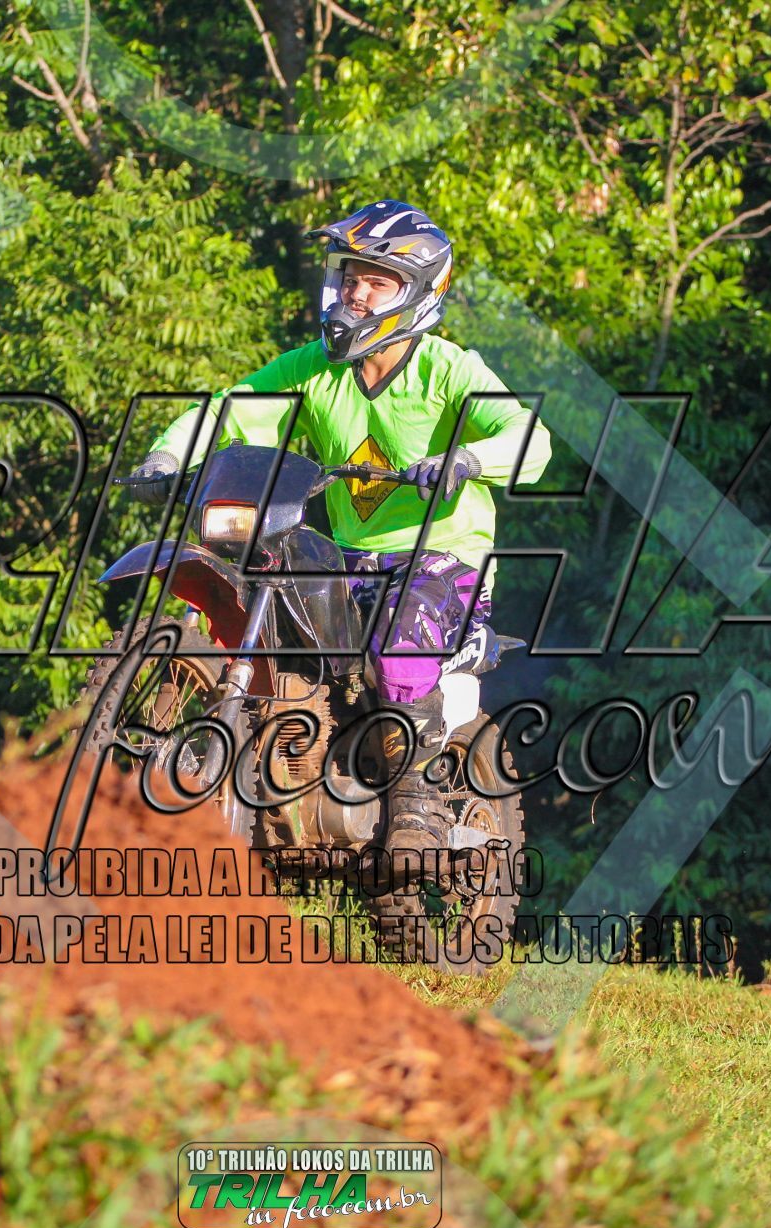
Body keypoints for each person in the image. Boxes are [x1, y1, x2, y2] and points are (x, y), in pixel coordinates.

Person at [126, 199, 552, 856]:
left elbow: (530, 438)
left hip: (442, 559)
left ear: (417, 292)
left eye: (376, 281)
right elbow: (232, 410)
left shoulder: (449, 369)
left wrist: (466, 460)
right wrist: (167, 456)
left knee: (399, 643)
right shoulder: (312, 368)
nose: (356, 293)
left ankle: (415, 802)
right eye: (351, 277)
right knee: (266, 592)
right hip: (347, 557)